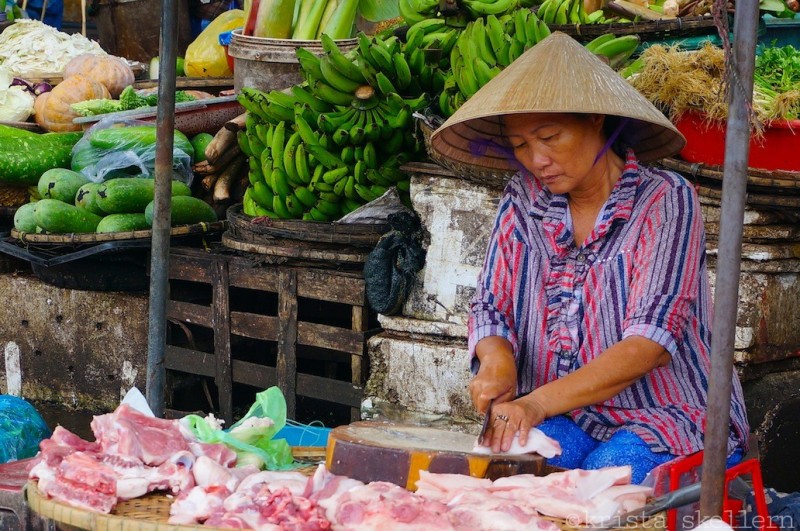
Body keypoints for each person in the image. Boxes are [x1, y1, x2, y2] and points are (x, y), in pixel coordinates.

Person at [429, 32, 749, 484]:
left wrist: (535, 402)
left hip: (671, 413)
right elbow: (492, 306)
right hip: (574, 412)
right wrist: (496, 360)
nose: (537, 159)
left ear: (596, 118)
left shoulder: (665, 200)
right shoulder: (523, 198)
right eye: (521, 145)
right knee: (507, 471)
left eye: (550, 136)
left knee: (601, 481)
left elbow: (649, 346)